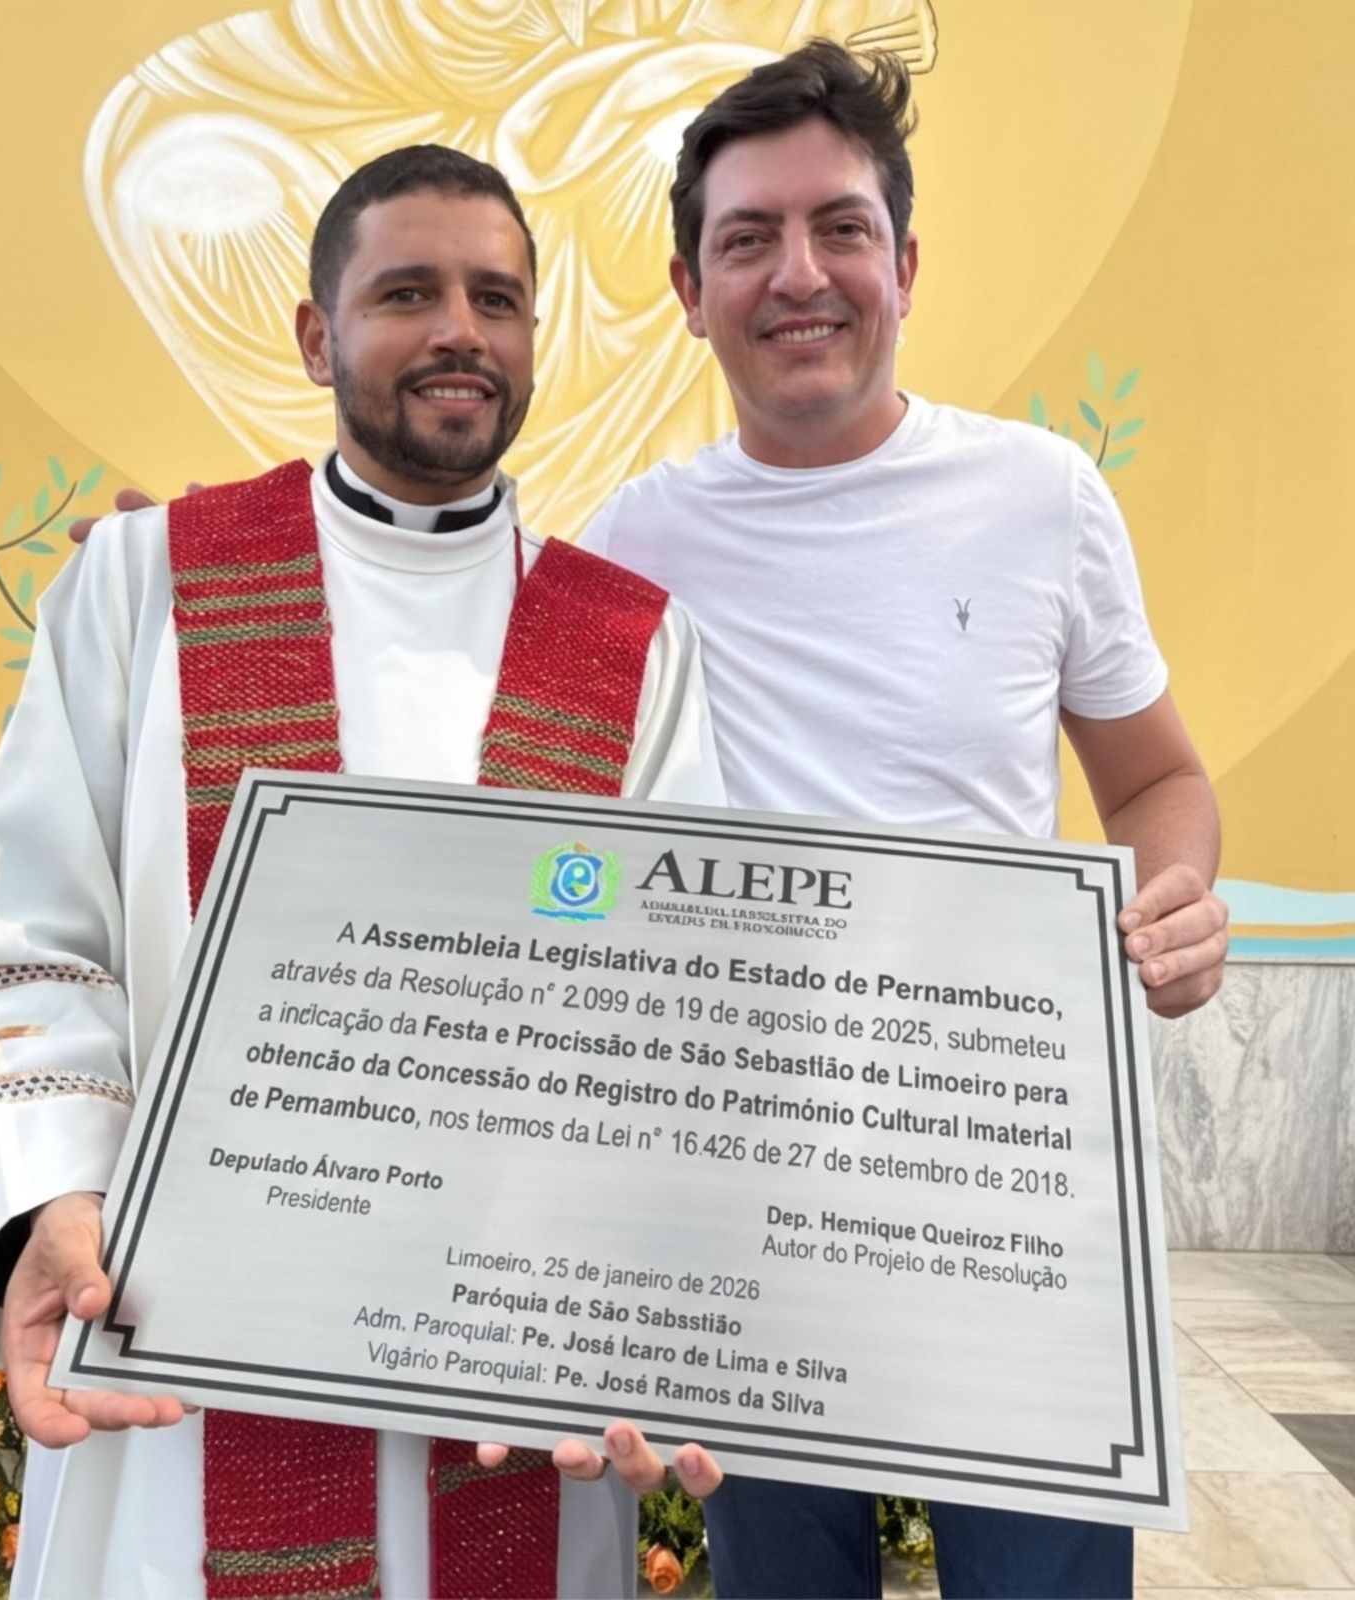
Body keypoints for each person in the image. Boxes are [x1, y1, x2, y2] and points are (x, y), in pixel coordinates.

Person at [0, 145, 725, 1600]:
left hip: (510, 1396)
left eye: (498, 299)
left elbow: (677, 1015)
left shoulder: (633, 642)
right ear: (317, 336)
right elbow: (14, 942)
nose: (461, 330)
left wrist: (647, 1299)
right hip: (184, 1381)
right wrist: (55, 1201)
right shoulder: (150, 581)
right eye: (408, 293)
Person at [571, 39, 1228, 1600]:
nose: (799, 274)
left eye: (841, 228)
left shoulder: (1043, 497)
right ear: (689, 290)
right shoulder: (631, 547)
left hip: (1008, 1183)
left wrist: (1177, 897)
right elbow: (511, 813)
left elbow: (1158, 782)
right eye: (748, 238)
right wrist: (212, 587)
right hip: (745, 1200)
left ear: (906, 267)